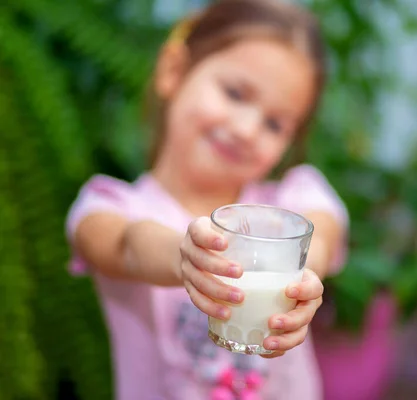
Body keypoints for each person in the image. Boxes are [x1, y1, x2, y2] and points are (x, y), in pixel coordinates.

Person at [65, 0, 348, 399]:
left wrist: (304, 277)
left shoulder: (293, 201)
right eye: (234, 93)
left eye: (274, 123)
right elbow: (125, 244)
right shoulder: (109, 207)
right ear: (174, 71)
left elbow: (319, 238)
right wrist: (183, 255)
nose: (248, 129)